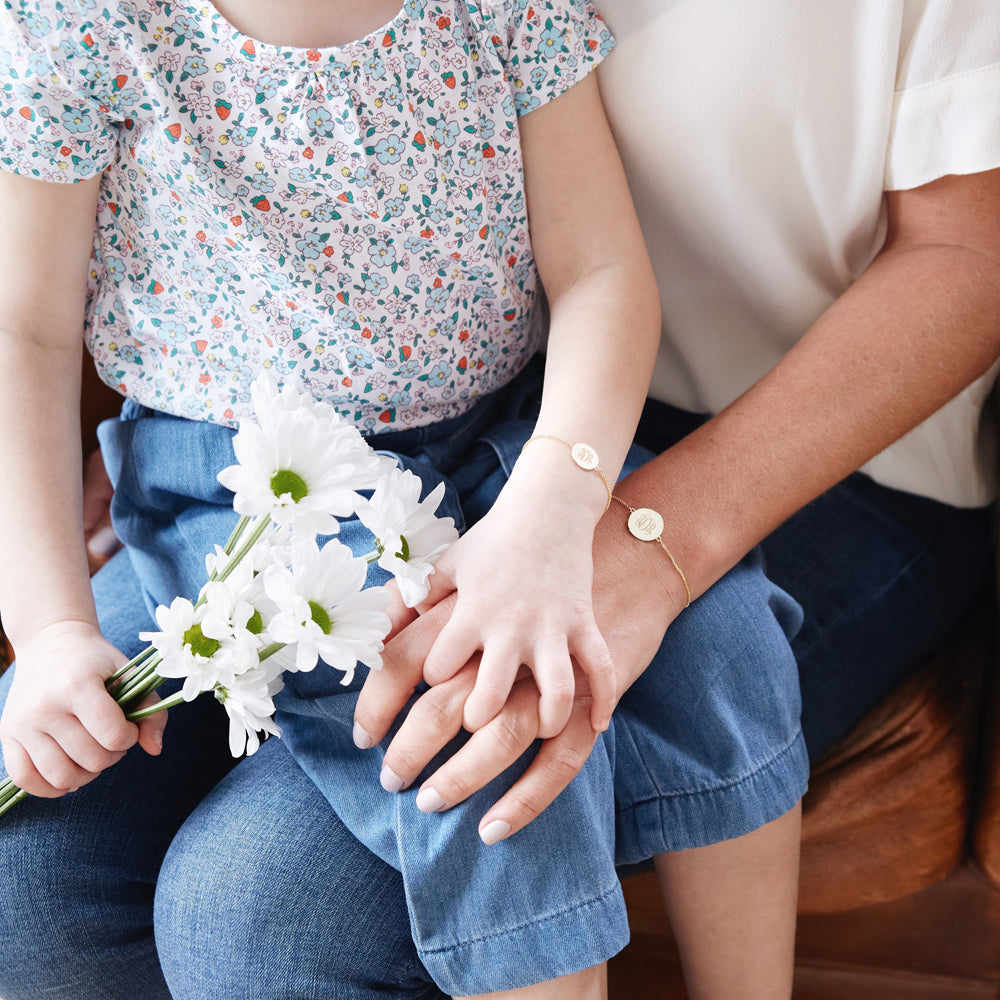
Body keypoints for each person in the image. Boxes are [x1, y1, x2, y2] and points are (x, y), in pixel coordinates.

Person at [0, 1, 663, 998]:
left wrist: (551, 509)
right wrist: (49, 626)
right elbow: (24, 330)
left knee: (478, 739)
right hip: (207, 489)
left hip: (486, 469)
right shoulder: (84, 20)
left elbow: (603, 270)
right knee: (26, 883)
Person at [344, 1, 1000, 998]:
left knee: (279, 913)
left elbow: (969, 254)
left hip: (835, 458)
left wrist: (642, 541)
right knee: (151, 894)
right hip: (494, 420)